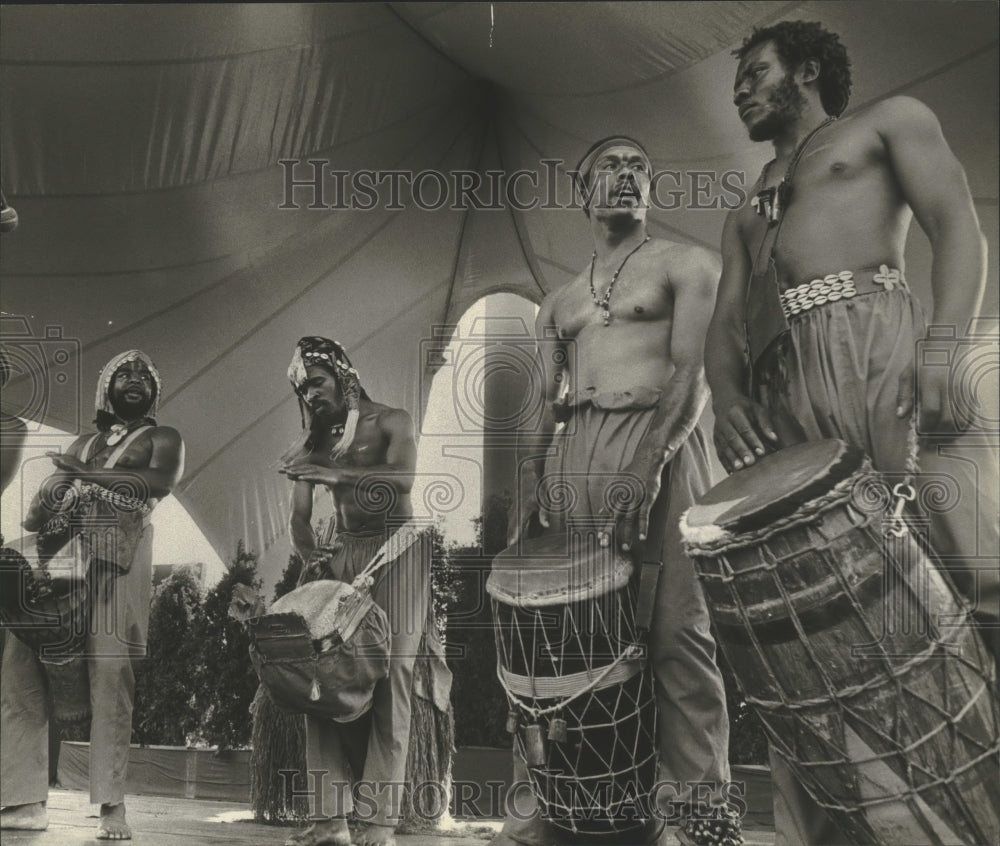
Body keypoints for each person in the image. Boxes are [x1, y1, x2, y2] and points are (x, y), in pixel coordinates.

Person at [705, 20, 999, 845]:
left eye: (753, 72)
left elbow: (955, 222)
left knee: (976, 568)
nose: (738, 90)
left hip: (881, 347)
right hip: (785, 396)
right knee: (808, 623)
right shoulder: (743, 212)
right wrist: (729, 400)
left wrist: (945, 342)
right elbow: (724, 328)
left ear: (804, 71)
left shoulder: (885, 122)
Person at [493, 137, 742, 846]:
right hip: (575, 453)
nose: (627, 173)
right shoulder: (558, 302)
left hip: (660, 441)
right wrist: (527, 496)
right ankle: (557, 805)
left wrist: (652, 460)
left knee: (676, 634)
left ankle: (699, 818)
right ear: (584, 191)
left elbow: (693, 370)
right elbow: (544, 403)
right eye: (611, 165)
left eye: (639, 164)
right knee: (555, 635)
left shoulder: (688, 264)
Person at [0, 349, 184, 840]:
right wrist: (52, 493)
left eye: (144, 375)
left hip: (119, 555)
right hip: (62, 555)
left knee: (109, 670)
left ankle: (111, 807)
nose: (134, 379)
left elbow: (158, 481)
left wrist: (79, 476)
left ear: (153, 393)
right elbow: (38, 514)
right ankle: (21, 799)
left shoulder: (162, 437)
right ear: (106, 388)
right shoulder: (83, 443)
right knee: (21, 661)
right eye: (123, 373)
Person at [279, 336, 430, 846]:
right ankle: (330, 819)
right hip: (343, 553)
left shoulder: (393, 420)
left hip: (399, 549)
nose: (311, 395)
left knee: (392, 671)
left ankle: (381, 822)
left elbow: (402, 481)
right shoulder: (313, 440)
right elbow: (300, 518)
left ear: (344, 374)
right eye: (303, 389)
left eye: (316, 382)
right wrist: (308, 553)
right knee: (319, 672)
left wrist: (330, 471)